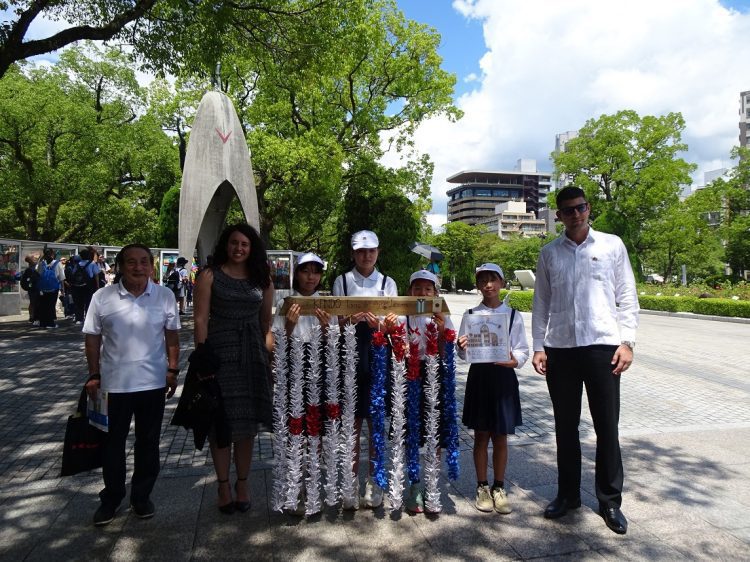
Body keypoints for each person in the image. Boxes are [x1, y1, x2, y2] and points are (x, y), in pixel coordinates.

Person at [531, 186, 639, 535]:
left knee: (607, 425)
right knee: (565, 427)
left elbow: (627, 296)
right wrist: (538, 346)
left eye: (580, 208)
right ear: (558, 215)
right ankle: (568, 496)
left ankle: (609, 500)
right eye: (568, 210)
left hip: (602, 349)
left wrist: (628, 342)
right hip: (561, 349)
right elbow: (541, 302)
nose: (575, 214)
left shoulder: (611, 245)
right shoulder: (549, 253)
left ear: (588, 208)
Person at [83, 243, 180, 527]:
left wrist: (172, 370)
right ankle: (111, 498)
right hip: (114, 385)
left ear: (151, 265)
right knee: (112, 445)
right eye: (131, 262)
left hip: (152, 384)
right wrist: (93, 374)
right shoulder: (102, 297)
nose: (138, 267)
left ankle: (141, 497)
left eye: (143, 262)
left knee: (148, 444)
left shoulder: (164, 296)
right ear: (121, 266)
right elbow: (92, 338)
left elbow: (172, 337)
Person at [193, 223, 274, 514]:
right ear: (225, 245)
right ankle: (223, 484)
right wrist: (202, 360)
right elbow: (200, 319)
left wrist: (268, 359)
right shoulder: (209, 275)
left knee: (246, 425)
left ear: (252, 248)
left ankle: (243, 483)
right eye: (234, 243)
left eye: (245, 244)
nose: (239, 248)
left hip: (251, 355)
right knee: (221, 424)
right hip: (219, 354)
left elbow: (266, 323)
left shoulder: (262, 279)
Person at [331, 230, 398, 510]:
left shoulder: (388, 282)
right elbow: (334, 324)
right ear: (353, 254)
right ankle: (349, 482)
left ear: (378, 252)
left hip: (379, 354)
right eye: (361, 251)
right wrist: (350, 319)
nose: (366, 255)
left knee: (376, 421)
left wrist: (378, 325)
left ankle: (374, 482)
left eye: (371, 251)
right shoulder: (342, 281)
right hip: (350, 355)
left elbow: (394, 324)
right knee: (352, 422)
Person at [457, 263, 529, 515]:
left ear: (502, 283)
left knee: (500, 436)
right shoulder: (470, 314)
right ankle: (482, 487)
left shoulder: (513, 315)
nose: (488, 285)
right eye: (483, 281)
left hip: (503, 379)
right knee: (481, 436)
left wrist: (514, 360)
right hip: (480, 378)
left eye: (493, 279)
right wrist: (461, 346)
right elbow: (463, 353)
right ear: (478, 286)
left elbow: (522, 350)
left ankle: (499, 486)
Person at [384, 269, 453, 514]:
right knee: (409, 432)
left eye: (428, 289)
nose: (422, 293)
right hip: (407, 373)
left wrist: (443, 331)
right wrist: (389, 329)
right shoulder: (402, 314)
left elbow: (447, 352)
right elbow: (394, 347)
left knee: (433, 432)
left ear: (435, 292)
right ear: (409, 291)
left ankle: (432, 484)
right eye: (417, 288)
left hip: (433, 374)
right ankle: (414, 487)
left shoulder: (440, 312)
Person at [273, 252, 335, 515]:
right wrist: (289, 324)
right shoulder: (283, 299)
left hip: (319, 364)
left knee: (316, 426)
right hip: (292, 362)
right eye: (305, 271)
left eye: (316, 271)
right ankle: (293, 485)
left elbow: (334, 343)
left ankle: (312, 483)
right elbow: (275, 341)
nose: (311, 276)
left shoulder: (326, 301)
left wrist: (325, 327)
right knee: (293, 425)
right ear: (296, 273)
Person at [35, 248, 66, 328]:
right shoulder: (57, 263)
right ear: (52, 254)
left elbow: (38, 273)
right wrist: (62, 289)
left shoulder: (42, 263)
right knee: (51, 306)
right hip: (53, 288)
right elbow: (61, 277)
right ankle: (50, 324)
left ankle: (43, 323)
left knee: (43, 306)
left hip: (43, 288)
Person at [20, 255, 40, 324]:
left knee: (32, 303)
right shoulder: (32, 267)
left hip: (31, 288)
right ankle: (33, 317)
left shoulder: (31, 267)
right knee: (34, 303)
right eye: (34, 258)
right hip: (34, 287)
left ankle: (32, 317)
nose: (35, 259)